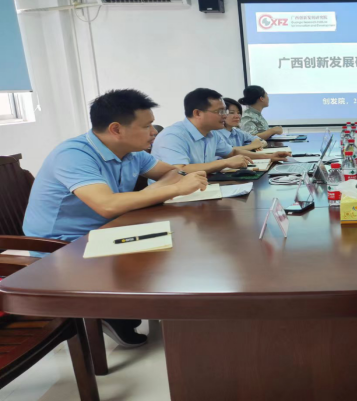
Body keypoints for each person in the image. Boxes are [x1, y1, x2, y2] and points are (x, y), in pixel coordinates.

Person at [23, 89, 209, 347]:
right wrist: (173, 190)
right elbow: (107, 205)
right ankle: (109, 311)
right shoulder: (74, 154)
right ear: (116, 129)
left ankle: (131, 309)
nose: (154, 132)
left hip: (107, 231)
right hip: (62, 246)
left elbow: (172, 173)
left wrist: (155, 190)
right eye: (146, 126)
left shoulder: (132, 152)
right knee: (169, 247)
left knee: (181, 238)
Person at [151, 88, 290, 173]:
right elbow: (180, 169)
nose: (225, 115)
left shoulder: (211, 134)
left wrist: (269, 157)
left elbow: (232, 152)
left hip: (201, 189)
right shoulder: (173, 136)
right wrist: (224, 163)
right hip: (171, 199)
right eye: (220, 111)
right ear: (198, 113)